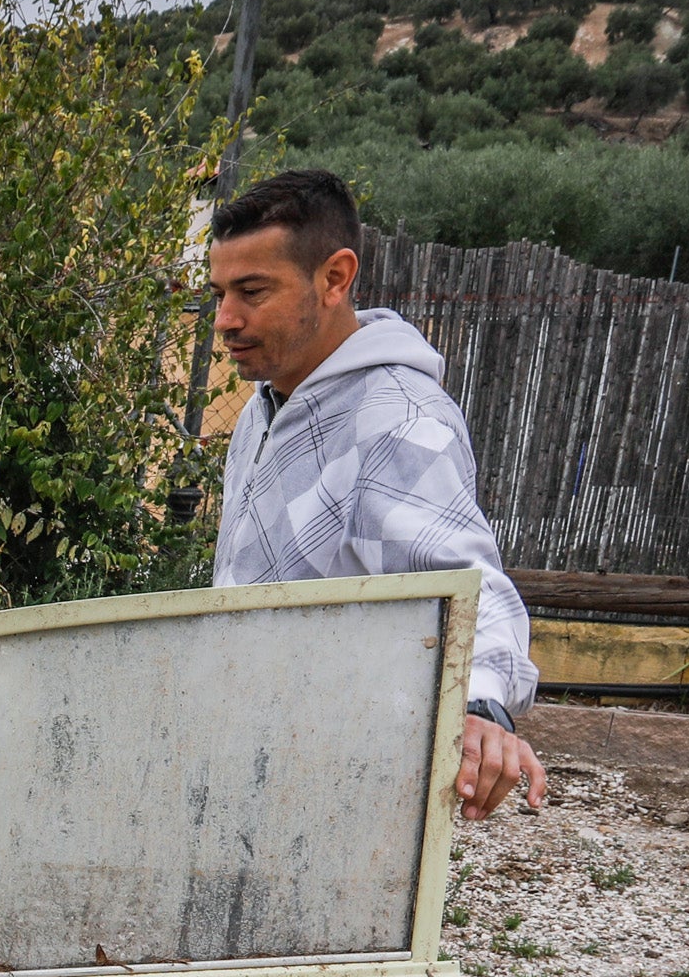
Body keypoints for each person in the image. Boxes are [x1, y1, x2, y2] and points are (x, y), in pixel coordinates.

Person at [208, 168, 546, 820]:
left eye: (252, 291)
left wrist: (479, 707)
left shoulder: (395, 421)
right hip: (248, 776)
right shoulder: (267, 405)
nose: (225, 319)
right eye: (221, 292)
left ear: (335, 278)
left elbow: (470, 590)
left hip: (338, 804)